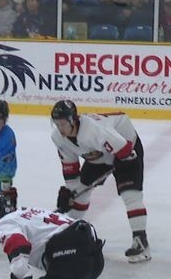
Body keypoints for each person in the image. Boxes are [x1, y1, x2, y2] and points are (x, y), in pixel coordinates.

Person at [50, 99, 151, 263]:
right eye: (57, 124)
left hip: (127, 146)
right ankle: (72, 235)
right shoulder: (58, 138)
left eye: (63, 124)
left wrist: (123, 158)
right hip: (99, 154)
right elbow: (71, 170)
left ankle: (141, 242)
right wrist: (71, 194)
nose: (60, 128)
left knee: (130, 193)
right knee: (80, 193)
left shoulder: (92, 130)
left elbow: (125, 149)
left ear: (72, 120)